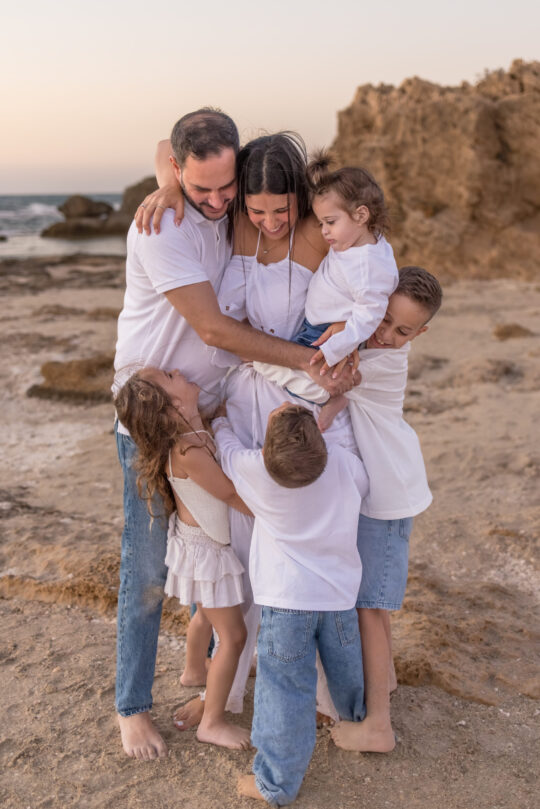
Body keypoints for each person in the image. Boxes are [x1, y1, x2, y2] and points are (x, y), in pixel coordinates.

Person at [114, 111, 352, 760]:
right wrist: (304, 359)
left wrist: (171, 171)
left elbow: (167, 141)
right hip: (155, 416)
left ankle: (217, 679)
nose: (218, 203)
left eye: (227, 189)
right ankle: (131, 706)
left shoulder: (231, 208)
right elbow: (216, 330)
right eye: (202, 190)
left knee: (225, 549)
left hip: (212, 413)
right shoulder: (164, 224)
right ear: (183, 176)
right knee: (146, 565)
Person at [256, 265, 443, 751]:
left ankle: (378, 724)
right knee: (370, 601)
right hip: (380, 489)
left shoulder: (377, 361)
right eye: (382, 320)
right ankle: (389, 680)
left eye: (402, 331)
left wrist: (252, 359)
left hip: (388, 496)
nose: (385, 335)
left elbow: (312, 383)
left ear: (419, 334)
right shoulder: (366, 349)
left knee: (370, 610)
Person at [212, 403, 369, 805]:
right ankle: (358, 723)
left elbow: (226, 446)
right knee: (347, 670)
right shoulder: (345, 465)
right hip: (338, 599)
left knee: (284, 691)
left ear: (268, 451)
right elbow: (360, 481)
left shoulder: (258, 471)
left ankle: (275, 785)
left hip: (286, 603)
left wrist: (220, 418)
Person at [114, 366, 252, 750]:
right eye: (171, 375)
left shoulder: (191, 432)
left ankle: (194, 669)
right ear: (173, 405)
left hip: (196, 544)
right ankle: (213, 722)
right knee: (235, 636)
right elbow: (227, 493)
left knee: (206, 614)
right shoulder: (188, 451)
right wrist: (274, 515)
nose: (180, 370)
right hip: (208, 551)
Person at [253, 151, 398, 431]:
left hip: (323, 336)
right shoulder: (359, 243)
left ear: (361, 215)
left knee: (273, 367)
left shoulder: (367, 264)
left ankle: (328, 397)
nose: (324, 232)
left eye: (330, 222)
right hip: (318, 327)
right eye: (321, 224)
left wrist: (334, 350)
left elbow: (370, 312)